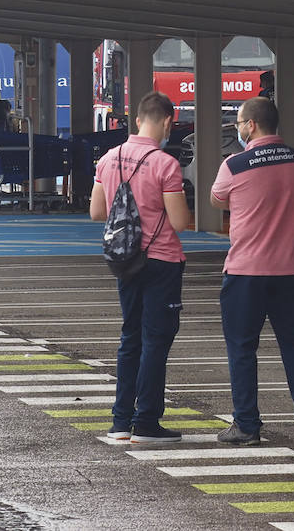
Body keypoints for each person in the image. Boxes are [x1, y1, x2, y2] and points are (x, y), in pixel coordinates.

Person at [210, 96, 294, 446]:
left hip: (246, 272)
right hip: (290, 271)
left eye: (239, 123)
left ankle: (246, 425)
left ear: (252, 125)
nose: (238, 129)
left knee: (242, 348)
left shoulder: (235, 164)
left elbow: (218, 200)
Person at [90, 91, 192, 443]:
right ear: (167, 122)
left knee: (130, 336)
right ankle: (147, 421)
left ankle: (120, 422)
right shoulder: (165, 164)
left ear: (137, 120)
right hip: (161, 260)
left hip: (125, 260)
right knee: (156, 339)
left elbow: (97, 212)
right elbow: (179, 221)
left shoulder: (108, 158)